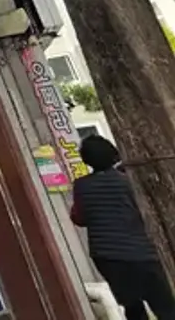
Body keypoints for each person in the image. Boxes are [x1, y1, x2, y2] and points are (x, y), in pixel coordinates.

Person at [71, 134, 175, 319]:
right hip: (141, 252)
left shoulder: (81, 185)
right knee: (164, 306)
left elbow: (79, 218)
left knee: (132, 307)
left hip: (107, 256)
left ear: (86, 159)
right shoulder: (127, 181)